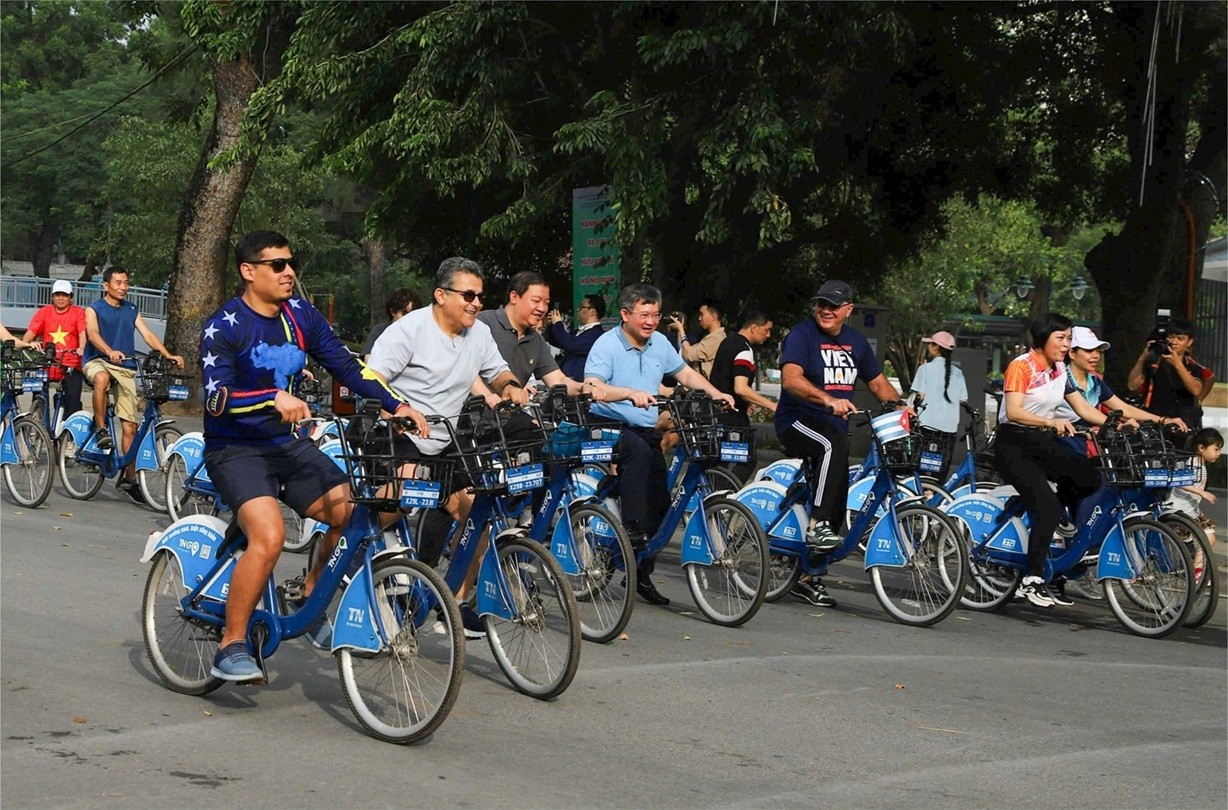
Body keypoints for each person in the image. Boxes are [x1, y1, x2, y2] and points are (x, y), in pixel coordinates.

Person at [201, 230, 422, 682]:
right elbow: (216, 399)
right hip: (236, 448)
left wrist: (395, 404)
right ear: (249, 271)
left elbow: (345, 364)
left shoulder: (301, 315)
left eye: (291, 262)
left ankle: (312, 595)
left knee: (353, 511)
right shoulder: (224, 326)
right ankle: (232, 643)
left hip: (289, 445)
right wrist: (270, 397)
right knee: (270, 535)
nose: (289, 272)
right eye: (277, 264)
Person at [368, 257, 535, 636]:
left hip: (446, 439)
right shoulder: (408, 331)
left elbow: (497, 371)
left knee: (476, 514)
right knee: (392, 503)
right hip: (403, 437)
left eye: (480, 296)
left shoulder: (477, 333)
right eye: (468, 295)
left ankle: (453, 601)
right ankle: (351, 548)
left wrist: (510, 387)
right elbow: (372, 379)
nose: (476, 303)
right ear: (441, 295)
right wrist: (394, 411)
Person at [584, 283, 735, 606]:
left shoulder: (660, 344)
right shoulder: (606, 345)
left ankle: (640, 572)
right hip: (609, 426)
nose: (651, 321)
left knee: (662, 505)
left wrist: (715, 393)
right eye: (644, 314)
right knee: (636, 455)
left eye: (655, 314)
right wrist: (626, 392)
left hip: (644, 427)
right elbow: (593, 385)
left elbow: (685, 374)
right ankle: (632, 529)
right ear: (625, 315)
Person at [773, 280, 904, 608]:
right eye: (821, 304)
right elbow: (790, 380)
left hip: (833, 429)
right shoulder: (802, 335)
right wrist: (827, 399)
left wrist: (901, 407)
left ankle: (808, 575)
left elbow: (878, 383)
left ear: (848, 310)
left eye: (833, 306)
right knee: (832, 446)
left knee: (838, 485)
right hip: (797, 422)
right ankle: (815, 526)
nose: (825, 311)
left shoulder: (856, 343)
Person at [993, 313, 1113, 609]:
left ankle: (1049, 507)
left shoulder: (1060, 369)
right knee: (1045, 506)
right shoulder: (1021, 366)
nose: (1066, 344)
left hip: (1041, 442)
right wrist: (1049, 422)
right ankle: (1031, 581)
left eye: (1069, 338)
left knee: (1090, 478)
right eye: (1060, 338)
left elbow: (1084, 409)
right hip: (1013, 444)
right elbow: (1015, 411)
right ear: (1042, 339)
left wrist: (1117, 425)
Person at [83, 266, 184, 502]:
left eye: (126, 283)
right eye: (118, 283)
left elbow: (148, 335)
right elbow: (92, 333)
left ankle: (129, 479)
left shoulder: (131, 309)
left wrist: (168, 354)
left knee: (130, 428)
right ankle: (101, 429)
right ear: (106, 285)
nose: (123, 287)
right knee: (101, 378)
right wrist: (109, 350)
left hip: (125, 367)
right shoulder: (93, 309)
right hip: (98, 360)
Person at [1057, 326, 1186, 431]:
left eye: (1098, 351)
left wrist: (1163, 420)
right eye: (1089, 351)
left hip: (1087, 441)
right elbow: (1085, 410)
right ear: (1072, 353)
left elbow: (1123, 408)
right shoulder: (1061, 378)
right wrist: (1117, 426)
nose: (1096, 356)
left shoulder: (1094, 382)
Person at [477, 271, 586, 395]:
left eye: (546, 303)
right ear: (514, 297)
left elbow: (558, 380)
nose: (542, 308)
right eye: (536, 301)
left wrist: (584, 388)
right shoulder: (482, 324)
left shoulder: (536, 339)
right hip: (470, 412)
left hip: (512, 412)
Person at [708, 309, 776, 481]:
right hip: (732, 416)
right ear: (753, 327)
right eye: (766, 329)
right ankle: (722, 499)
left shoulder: (728, 342)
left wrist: (748, 401)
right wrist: (771, 405)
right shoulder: (745, 350)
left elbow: (726, 380)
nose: (768, 335)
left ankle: (713, 499)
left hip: (715, 412)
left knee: (719, 461)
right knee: (747, 460)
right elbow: (741, 388)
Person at [1127, 318, 1216, 431]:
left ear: (1189, 342)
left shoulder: (1192, 367)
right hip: (1156, 420)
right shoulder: (1155, 363)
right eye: (1171, 337)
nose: (1174, 342)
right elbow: (1132, 385)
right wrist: (1142, 358)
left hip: (1183, 423)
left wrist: (1177, 364)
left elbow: (1196, 389)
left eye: (1180, 339)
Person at [22, 279, 86, 418]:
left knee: (73, 400)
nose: (61, 298)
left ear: (71, 297)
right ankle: (37, 421)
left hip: (70, 362)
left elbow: (82, 333)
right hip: (48, 361)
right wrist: (26, 343)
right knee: (38, 393)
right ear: (52, 296)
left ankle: (68, 430)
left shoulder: (78, 313)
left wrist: (81, 347)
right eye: (57, 294)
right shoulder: (44, 311)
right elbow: (32, 331)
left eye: (64, 294)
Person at [909, 330, 968, 480]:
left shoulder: (925, 369)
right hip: (949, 429)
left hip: (926, 427)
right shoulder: (958, 373)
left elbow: (919, 396)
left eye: (930, 344)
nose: (928, 347)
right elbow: (963, 400)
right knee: (941, 469)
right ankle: (936, 494)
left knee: (920, 467)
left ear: (936, 347)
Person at [1164, 428, 1222, 563]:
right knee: (1199, 542)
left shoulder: (1201, 465)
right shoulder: (1191, 463)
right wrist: (1201, 492)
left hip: (1192, 512)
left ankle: (1197, 572)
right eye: (1216, 449)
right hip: (1179, 511)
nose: (1218, 454)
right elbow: (1177, 481)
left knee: (1209, 538)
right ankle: (1194, 571)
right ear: (1202, 448)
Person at [546, 294, 606, 382]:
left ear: (592, 312)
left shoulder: (596, 334)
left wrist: (558, 323)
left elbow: (570, 344)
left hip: (580, 383)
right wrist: (551, 325)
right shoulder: (578, 331)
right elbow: (559, 342)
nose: (578, 309)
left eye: (581, 307)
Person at [668, 298, 726, 378]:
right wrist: (679, 331)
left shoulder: (717, 338)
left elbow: (689, 354)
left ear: (713, 316)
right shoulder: (709, 337)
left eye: (702, 314)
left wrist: (681, 330)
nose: (699, 319)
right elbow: (684, 354)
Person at [360, 287, 421, 362]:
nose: (408, 319)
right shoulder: (379, 331)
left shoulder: (419, 336)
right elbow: (367, 358)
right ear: (393, 312)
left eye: (412, 315)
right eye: (404, 314)